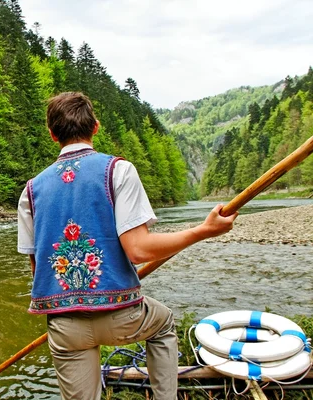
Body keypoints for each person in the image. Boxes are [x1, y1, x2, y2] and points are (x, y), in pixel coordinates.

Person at [17, 92, 238, 400]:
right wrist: (203, 230)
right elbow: (139, 250)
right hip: (122, 315)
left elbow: (37, 267)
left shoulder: (30, 191)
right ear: (95, 127)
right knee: (163, 325)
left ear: (53, 135)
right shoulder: (118, 170)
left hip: (65, 324)